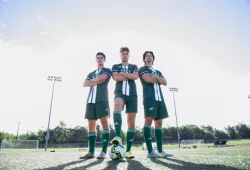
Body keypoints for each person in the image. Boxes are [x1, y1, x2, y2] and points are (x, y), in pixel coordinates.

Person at [139, 51, 173, 158]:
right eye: (147, 56)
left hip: (160, 99)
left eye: (150, 56)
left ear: (153, 58)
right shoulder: (142, 69)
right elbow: (149, 79)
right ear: (144, 59)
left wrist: (156, 77)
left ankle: (160, 150)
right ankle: (150, 152)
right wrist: (156, 79)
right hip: (150, 98)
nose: (149, 57)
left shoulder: (157, 71)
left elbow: (165, 82)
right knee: (148, 121)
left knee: (159, 123)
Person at [80, 52, 112, 159]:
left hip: (101, 100)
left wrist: (91, 81)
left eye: (101, 58)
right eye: (97, 58)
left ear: (104, 59)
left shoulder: (107, 70)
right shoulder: (91, 73)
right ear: (96, 60)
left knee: (104, 124)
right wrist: (95, 81)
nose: (99, 59)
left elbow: (101, 78)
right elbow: (85, 84)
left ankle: (103, 152)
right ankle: (91, 152)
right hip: (90, 101)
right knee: (91, 125)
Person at [111, 47, 138, 159]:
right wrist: (128, 75)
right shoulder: (115, 66)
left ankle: (128, 151)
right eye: (123, 54)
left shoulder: (134, 66)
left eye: (127, 54)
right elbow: (115, 77)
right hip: (119, 92)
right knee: (117, 104)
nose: (125, 55)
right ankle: (118, 136)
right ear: (120, 55)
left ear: (129, 55)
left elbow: (135, 77)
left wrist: (122, 74)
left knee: (131, 123)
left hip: (132, 94)